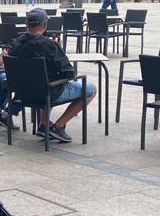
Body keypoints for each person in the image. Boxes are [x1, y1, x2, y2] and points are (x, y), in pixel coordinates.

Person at [8, 8, 96, 142]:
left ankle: (44, 125)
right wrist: (59, 50)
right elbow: (69, 73)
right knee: (91, 89)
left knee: (45, 81)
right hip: (46, 93)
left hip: (22, 94)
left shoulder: (16, 43)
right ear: (44, 25)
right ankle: (58, 126)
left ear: (27, 24)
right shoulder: (49, 45)